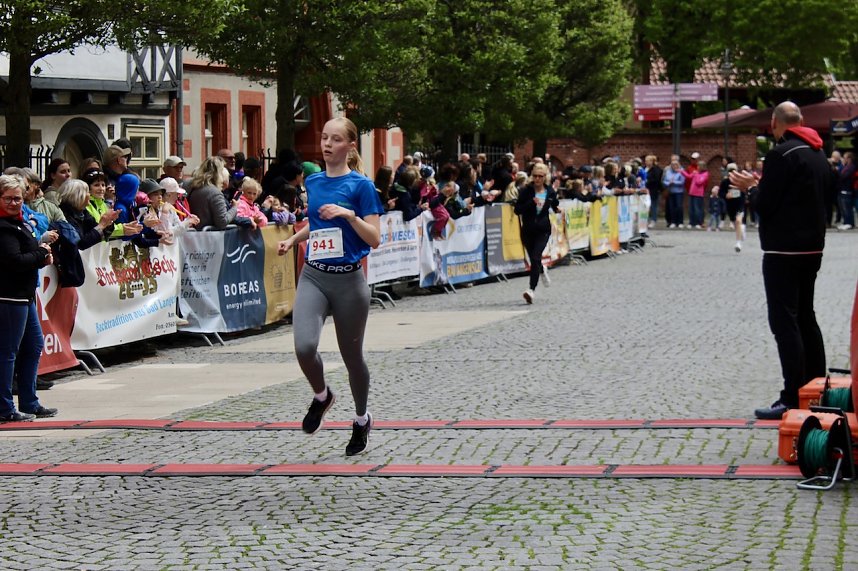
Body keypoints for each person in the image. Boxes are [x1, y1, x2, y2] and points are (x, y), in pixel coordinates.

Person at [276, 117, 383, 456]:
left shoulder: (362, 186)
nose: (326, 144)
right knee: (304, 346)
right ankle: (322, 396)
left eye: (335, 139)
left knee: (352, 358)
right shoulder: (314, 180)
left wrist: (350, 216)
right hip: (314, 275)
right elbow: (318, 223)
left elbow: (375, 238)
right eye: (324, 137)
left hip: (349, 280)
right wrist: (294, 239)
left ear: (350, 146)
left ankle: (362, 418)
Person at [729, 101, 829, 420]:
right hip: (812, 247)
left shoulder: (780, 154)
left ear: (774, 123)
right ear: (801, 120)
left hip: (783, 250)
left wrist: (751, 188)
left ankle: (792, 395)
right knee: (806, 317)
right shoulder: (818, 153)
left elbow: (766, 205)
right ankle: (817, 387)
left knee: (784, 322)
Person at [0, 174, 58, 422]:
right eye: (8, 198)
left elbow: (29, 251)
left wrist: (40, 254)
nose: (14, 203)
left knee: (33, 346)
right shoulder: (4, 228)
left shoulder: (19, 222)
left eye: (18, 199)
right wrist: (41, 253)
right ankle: (4, 408)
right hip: (9, 296)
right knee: (7, 352)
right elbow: (14, 261)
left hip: (24, 295)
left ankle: (29, 401)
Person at [514, 163, 559, 304]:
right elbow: (517, 210)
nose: (537, 179)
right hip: (527, 230)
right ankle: (541, 269)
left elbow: (554, 204)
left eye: (540, 176)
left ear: (545, 177)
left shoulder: (550, 191)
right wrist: (531, 203)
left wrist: (558, 209)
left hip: (543, 230)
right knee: (534, 259)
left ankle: (531, 290)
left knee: (535, 257)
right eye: (535, 176)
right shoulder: (526, 191)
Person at [58, 179, 119, 250]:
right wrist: (101, 225)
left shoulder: (83, 212)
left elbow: (97, 231)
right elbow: (81, 244)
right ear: (78, 196)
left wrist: (108, 223)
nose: (89, 195)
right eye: (87, 192)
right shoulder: (64, 215)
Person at [187, 157, 237, 229]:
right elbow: (222, 222)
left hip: (189, 232)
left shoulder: (189, 185)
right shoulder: (215, 193)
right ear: (218, 173)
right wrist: (234, 208)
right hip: (208, 234)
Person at [719, 163, 746, 251]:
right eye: (730, 171)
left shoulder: (740, 181)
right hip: (730, 206)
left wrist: (741, 194)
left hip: (740, 205)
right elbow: (720, 193)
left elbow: (745, 191)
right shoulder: (725, 182)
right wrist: (726, 195)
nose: (732, 173)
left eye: (734, 171)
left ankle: (738, 243)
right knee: (736, 224)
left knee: (738, 221)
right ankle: (741, 231)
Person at [682, 157, 709, 229]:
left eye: (699, 166)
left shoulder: (705, 174)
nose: (697, 167)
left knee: (697, 209)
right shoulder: (695, 172)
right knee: (691, 209)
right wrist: (681, 171)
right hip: (691, 193)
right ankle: (691, 222)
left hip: (698, 194)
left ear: (702, 167)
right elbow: (689, 176)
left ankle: (699, 222)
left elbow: (699, 182)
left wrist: (696, 174)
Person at [662, 157, 686, 228]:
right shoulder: (668, 171)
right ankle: (673, 222)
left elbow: (682, 182)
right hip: (670, 191)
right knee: (671, 207)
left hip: (679, 192)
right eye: (672, 165)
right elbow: (664, 181)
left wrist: (674, 182)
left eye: (676, 165)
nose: (674, 166)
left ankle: (680, 222)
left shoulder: (681, 171)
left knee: (678, 207)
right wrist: (668, 183)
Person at [643, 155, 663, 228]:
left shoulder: (656, 169)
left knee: (653, 205)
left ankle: (653, 220)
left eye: (648, 161)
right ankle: (645, 220)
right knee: (645, 206)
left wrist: (647, 181)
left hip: (653, 190)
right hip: (644, 190)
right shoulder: (644, 169)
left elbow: (656, 180)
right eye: (645, 161)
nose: (646, 162)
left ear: (652, 161)